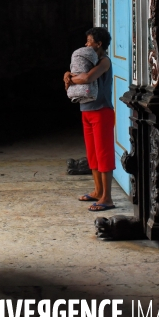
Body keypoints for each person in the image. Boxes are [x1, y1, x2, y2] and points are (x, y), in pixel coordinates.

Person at [64, 27, 116, 212]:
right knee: (93, 155)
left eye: (89, 41)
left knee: (104, 155)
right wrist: (69, 75)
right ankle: (97, 191)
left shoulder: (104, 62)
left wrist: (70, 79)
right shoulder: (88, 61)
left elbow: (87, 78)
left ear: (99, 44)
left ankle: (107, 198)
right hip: (86, 111)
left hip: (102, 112)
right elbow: (78, 74)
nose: (86, 44)